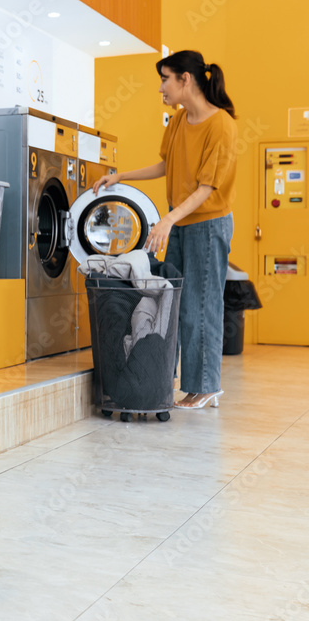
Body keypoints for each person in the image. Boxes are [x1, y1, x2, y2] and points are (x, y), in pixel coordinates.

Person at [93, 50, 237, 410]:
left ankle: (206, 386)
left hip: (208, 223)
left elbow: (207, 188)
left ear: (185, 79)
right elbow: (164, 164)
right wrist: (120, 176)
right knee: (169, 301)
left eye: (165, 79)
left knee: (199, 306)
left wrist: (168, 219)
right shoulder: (177, 122)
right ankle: (173, 381)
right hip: (181, 222)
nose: (161, 88)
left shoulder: (221, 126)